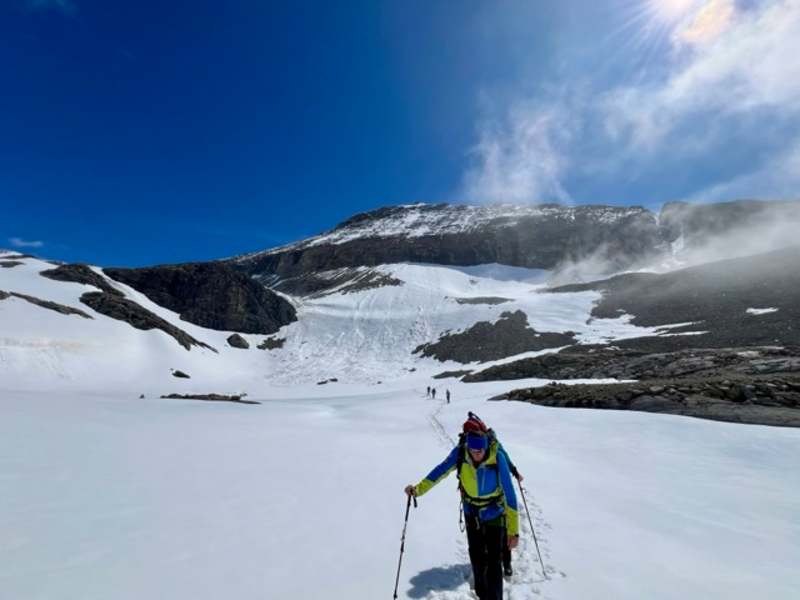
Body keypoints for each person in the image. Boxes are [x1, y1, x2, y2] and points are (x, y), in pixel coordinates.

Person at [405, 415, 519, 600]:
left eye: (480, 450)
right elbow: (440, 471)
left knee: (493, 560)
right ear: (468, 446)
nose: (477, 454)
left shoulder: (497, 456)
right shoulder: (460, 453)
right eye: (473, 450)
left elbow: (510, 495)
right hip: (471, 511)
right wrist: (418, 489)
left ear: (486, 446)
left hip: (495, 511)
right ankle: (482, 594)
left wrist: (513, 531)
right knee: (477, 557)